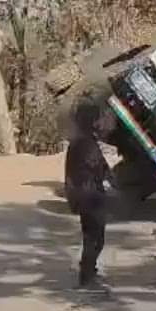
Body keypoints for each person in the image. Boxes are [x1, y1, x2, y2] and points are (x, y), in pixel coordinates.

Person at [64, 101, 112, 291]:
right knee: (96, 238)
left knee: (90, 237)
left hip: (81, 194)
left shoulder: (79, 140)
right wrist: (107, 176)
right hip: (90, 195)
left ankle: (88, 271)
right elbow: (97, 167)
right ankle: (87, 276)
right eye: (98, 118)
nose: (100, 122)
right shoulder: (86, 143)